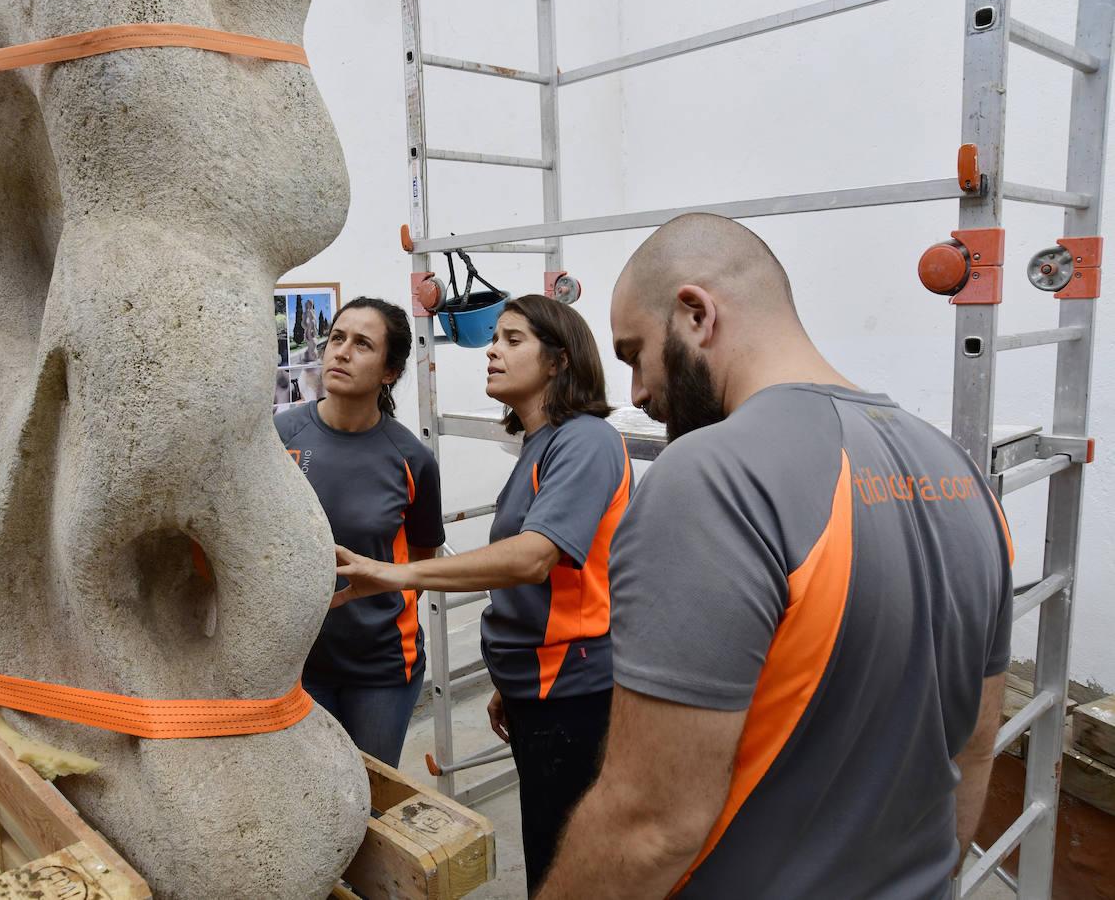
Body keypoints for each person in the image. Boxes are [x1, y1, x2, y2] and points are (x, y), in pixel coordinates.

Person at [536, 213, 1014, 899]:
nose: (637, 393)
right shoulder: (958, 470)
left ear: (695, 314)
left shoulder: (710, 477)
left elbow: (649, 828)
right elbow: (971, 750)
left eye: (634, 353)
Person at [335, 294, 631, 891]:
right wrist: (508, 681)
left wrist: (394, 573)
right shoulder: (541, 445)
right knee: (546, 838)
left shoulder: (586, 440)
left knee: (562, 860)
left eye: (512, 340)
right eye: (494, 338)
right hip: (535, 684)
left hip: (571, 690)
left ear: (559, 361)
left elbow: (533, 558)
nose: (491, 350)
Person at [275, 297, 445, 766]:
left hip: (382, 666)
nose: (342, 352)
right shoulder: (280, 435)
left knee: (369, 797)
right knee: (309, 795)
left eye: (362, 344)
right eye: (337, 339)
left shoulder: (411, 460)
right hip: (297, 659)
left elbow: (421, 562)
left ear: (389, 372)